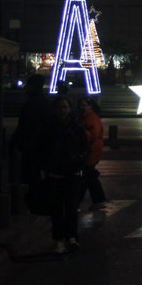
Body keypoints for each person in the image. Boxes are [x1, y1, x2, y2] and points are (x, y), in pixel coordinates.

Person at [41, 96, 88, 254]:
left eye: (65, 107)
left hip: (72, 172)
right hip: (56, 173)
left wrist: (79, 161)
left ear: (70, 109)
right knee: (57, 209)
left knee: (71, 207)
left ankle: (72, 236)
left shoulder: (76, 126)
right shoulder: (49, 127)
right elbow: (42, 148)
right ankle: (59, 238)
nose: (63, 110)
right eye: (60, 107)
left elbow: (84, 146)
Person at [11, 74, 51, 184]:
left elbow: (25, 125)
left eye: (27, 85)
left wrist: (16, 141)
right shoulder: (44, 102)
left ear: (32, 86)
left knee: (31, 174)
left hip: (32, 145)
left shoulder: (31, 103)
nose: (25, 87)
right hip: (39, 144)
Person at [77, 97, 108, 210]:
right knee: (89, 175)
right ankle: (99, 200)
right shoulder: (88, 117)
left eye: (84, 105)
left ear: (90, 106)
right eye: (81, 105)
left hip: (91, 151)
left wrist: (79, 131)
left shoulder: (91, 118)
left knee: (86, 175)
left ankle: (77, 202)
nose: (82, 107)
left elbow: (92, 135)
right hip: (91, 150)